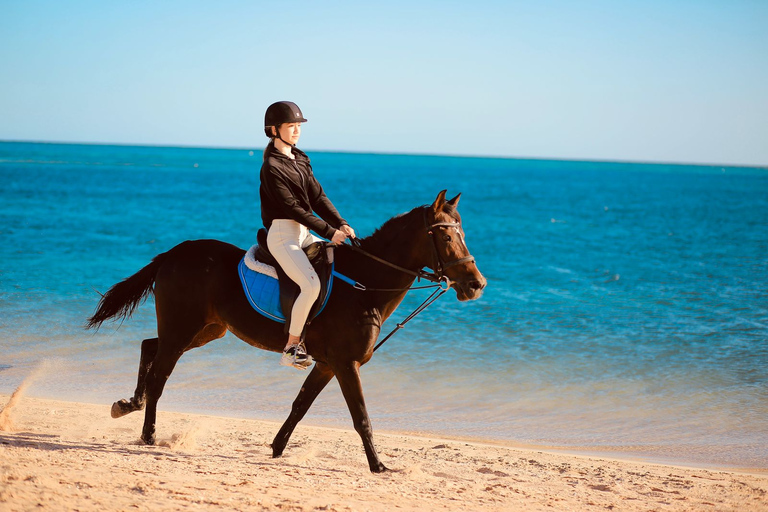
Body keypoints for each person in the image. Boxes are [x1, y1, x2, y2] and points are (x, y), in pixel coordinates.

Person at [259, 101, 356, 369]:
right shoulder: (271, 167)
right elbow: (293, 208)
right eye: (290, 126)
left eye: (298, 126)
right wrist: (328, 231)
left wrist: (341, 223)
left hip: (304, 233)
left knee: (340, 264)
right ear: (274, 130)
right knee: (310, 284)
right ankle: (291, 347)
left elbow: (318, 196)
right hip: (283, 235)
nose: (296, 131)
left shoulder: (300, 158)